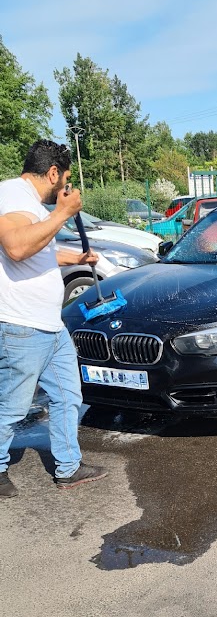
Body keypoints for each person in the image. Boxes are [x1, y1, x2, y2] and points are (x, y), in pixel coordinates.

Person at [0, 139, 108, 497]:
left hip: (50, 324)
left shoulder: (29, 202)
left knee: (67, 395)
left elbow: (39, 251)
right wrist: (62, 213)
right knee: (12, 407)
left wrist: (76, 258)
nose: (66, 187)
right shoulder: (12, 195)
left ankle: (68, 466)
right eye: (65, 179)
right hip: (22, 326)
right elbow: (16, 247)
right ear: (52, 173)